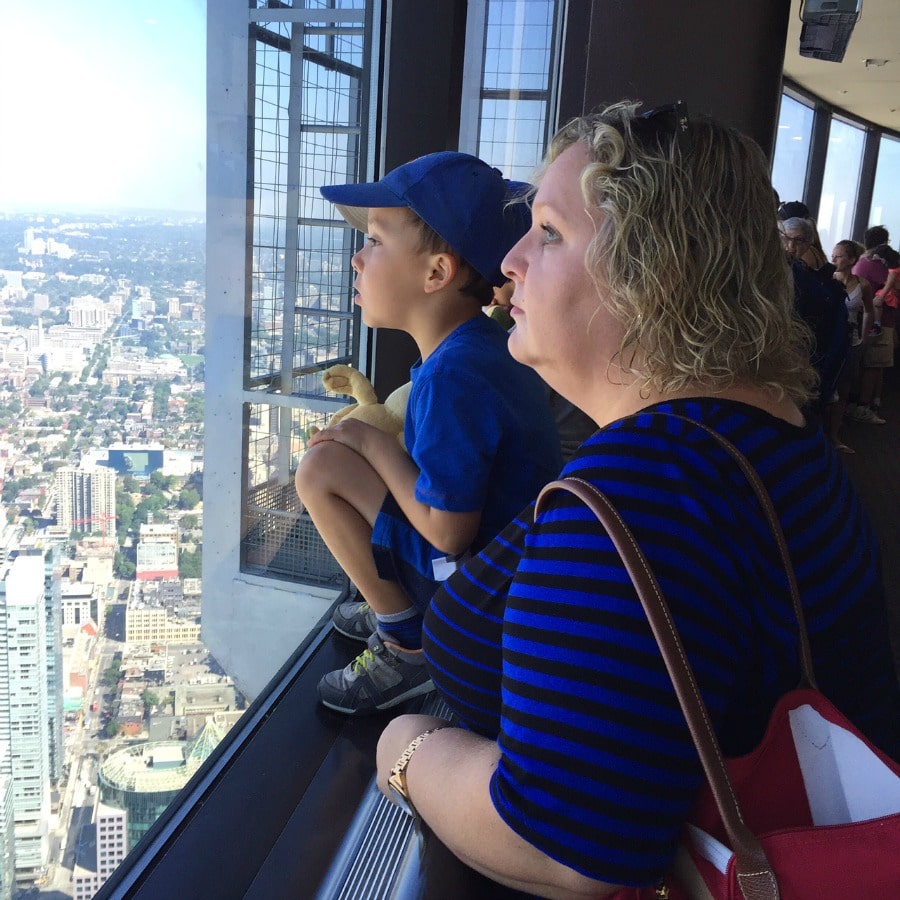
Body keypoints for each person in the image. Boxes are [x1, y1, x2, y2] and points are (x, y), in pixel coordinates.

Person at [375, 102, 900, 897]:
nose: (511, 258)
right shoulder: (771, 433)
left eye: (549, 232)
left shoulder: (650, 488)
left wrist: (407, 752)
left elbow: (566, 847)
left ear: (653, 273)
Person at [295, 151, 563, 715]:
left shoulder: (455, 376)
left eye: (374, 241)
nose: (357, 260)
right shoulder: (479, 348)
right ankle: (395, 601)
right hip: (507, 574)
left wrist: (370, 443)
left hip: (476, 599)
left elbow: (448, 533)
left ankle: (408, 643)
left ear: (437, 273)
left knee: (321, 470)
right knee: (344, 462)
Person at [829, 239, 876, 452]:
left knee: (844, 389)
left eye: (838, 256)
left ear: (851, 260)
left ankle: (834, 436)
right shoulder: (829, 280)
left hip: (851, 340)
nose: (833, 260)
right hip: (831, 339)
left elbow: (868, 310)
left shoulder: (862, 284)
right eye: (833, 255)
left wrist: (864, 336)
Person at [852, 226, 893, 419]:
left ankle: (869, 402)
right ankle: (864, 406)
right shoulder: (878, 266)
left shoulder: (861, 263)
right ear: (885, 242)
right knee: (874, 365)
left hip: (868, 320)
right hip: (880, 322)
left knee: (874, 364)